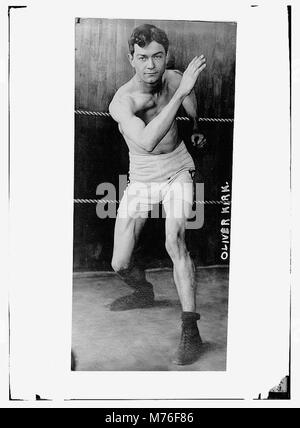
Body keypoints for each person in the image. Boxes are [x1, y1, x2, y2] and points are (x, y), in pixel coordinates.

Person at [108, 24, 206, 365]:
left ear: (166, 56)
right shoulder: (123, 101)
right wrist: (180, 95)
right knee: (119, 263)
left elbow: (191, 105)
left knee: (174, 240)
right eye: (142, 57)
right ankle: (142, 290)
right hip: (143, 177)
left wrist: (196, 129)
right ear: (131, 59)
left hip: (178, 167)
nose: (151, 65)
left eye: (157, 56)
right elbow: (147, 141)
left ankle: (191, 329)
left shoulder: (177, 79)